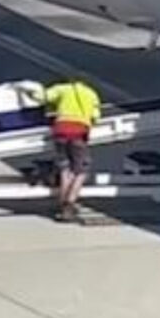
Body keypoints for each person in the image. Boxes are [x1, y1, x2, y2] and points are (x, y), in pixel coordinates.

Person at [19, 78, 101, 222]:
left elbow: (42, 97)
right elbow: (96, 116)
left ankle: (62, 203)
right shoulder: (91, 93)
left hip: (61, 131)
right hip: (79, 133)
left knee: (65, 169)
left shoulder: (62, 89)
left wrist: (27, 91)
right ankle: (69, 203)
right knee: (80, 171)